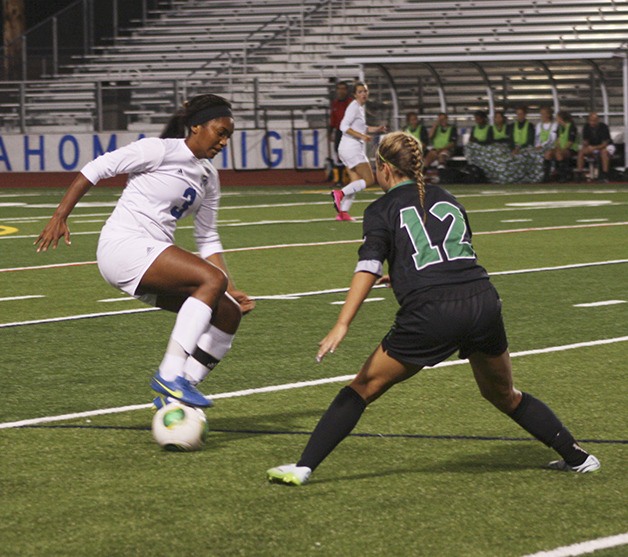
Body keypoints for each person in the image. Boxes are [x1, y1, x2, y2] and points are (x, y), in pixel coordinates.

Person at [267, 131, 600, 486]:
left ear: (383, 168)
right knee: (503, 394)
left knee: (361, 388)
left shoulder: (380, 208)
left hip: (433, 312)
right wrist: (406, 276)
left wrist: (342, 323)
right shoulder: (448, 197)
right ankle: (578, 457)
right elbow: (452, 252)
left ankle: (303, 467)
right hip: (482, 301)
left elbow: (369, 265)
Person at [35, 93, 255, 409]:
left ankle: (177, 398)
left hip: (150, 257)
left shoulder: (209, 176)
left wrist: (230, 288)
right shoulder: (158, 150)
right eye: (220, 132)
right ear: (195, 127)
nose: (224, 141)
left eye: (229, 136)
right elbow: (97, 168)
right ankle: (170, 373)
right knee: (211, 280)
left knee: (228, 312)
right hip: (124, 246)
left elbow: (207, 237)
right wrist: (60, 215)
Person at [330, 82, 386, 222]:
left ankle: (343, 212)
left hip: (346, 147)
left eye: (365, 91)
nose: (364, 94)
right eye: (360, 91)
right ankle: (340, 193)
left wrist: (376, 129)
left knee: (355, 182)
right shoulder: (354, 107)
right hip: (352, 147)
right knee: (369, 180)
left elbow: (362, 128)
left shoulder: (358, 108)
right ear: (354, 94)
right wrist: (361, 136)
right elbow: (343, 126)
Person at [576, 112, 615, 182]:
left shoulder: (603, 127)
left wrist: (594, 148)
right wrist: (586, 146)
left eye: (595, 120)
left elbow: (605, 144)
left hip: (606, 146)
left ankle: (605, 174)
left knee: (604, 152)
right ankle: (579, 173)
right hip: (592, 146)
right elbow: (586, 141)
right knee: (581, 151)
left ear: (598, 120)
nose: (593, 122)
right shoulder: (586, 127)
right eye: (591, 120)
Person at [329, 81, 352, 187]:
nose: (341, 91)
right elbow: (333, 120)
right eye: (339, 88)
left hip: (349, 132)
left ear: (346, 90)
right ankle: (340, 179)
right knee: (339, 155)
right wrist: (330, 132)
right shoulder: (335, 104)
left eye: (343, 88)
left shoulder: (351, 103)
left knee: (351, 155)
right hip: (339, 132)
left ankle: (352, 178)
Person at [554, 110, 578, 183]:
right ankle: (549, 175)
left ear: (561, 118)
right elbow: (557, 140)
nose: (556, 120)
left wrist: (562, 149)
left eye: (557, 118)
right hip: (561, 149)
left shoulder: (571, 127)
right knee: (549, 153)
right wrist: (558, 148)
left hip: (571, 149)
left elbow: (570, 142)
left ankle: (563, 176)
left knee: (560, 154)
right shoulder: (559, 128)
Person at [535, 106, 558, 182]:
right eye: (541, 114)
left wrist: (542, 145)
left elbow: (552, 138)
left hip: (550, 146)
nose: (541, 116)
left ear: (548, 115)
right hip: (540, 147)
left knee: (546, 154)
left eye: (543, 114)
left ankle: (547, 175)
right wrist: (537, 145)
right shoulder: (538, 125)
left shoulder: (554, 125)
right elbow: (537, 137)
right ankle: (536, 176)